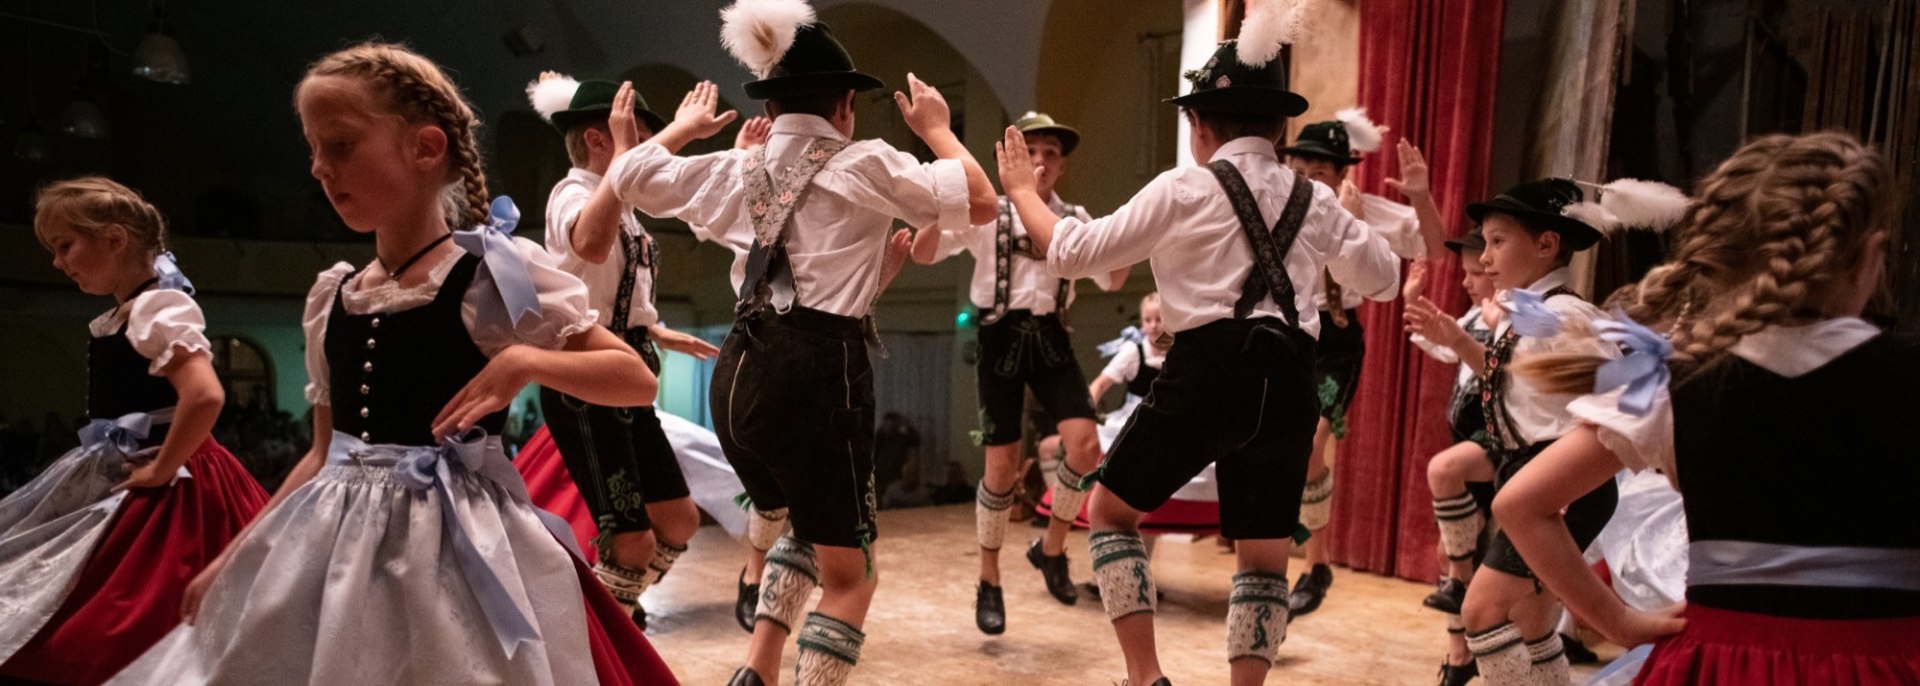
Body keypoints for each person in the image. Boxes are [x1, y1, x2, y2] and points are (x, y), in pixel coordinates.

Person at [104, 42, 676, 685]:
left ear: (426, 149)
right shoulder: (335, 296)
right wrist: (235, 557)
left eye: (341, 145)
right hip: (336, 540)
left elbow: (635, 378)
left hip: (458, 542)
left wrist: (523, 360)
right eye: (314, 150)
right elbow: (322, 453)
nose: (320, 168)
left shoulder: (492, 276)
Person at [591, 1, 996, 682]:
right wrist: (939, 131)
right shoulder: (866, 162)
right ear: (845, 104)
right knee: (852, 573)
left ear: (772, 108)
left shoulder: (735, 168)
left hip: (738, 378)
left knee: (807, 529)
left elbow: (627, 178)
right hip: (819, 376)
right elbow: (980, 201)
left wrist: (684, 130)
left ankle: (759, 668)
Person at [998, 4, 1403, 681]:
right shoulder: (1316, 199)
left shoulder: (1185, 187)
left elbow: (1071, 251)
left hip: (1208, 369)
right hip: (1292, 380)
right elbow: (1387, 282)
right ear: (1279, 127)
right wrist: (1352, 223)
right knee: (1265, 558)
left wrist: (1019, 190)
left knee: (1109, 512)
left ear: (1198, 125)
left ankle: (1145, 676)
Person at [1499, 131, 1918, 685]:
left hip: (1718, 667)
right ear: (1869, 257)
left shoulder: (1673, 384)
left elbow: (1521, 505)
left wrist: (1618, 621)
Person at [0, 178, 267, 686]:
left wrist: (164, 466)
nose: (58, 262)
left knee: (123, 633)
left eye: (65, 245)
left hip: (175, 485)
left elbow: (205, 395)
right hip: (126, 469)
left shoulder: (157, 306)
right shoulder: (124, 313)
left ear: (115, 239)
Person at [519, 70, 722, 630]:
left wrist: (655, 329)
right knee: (630, 542)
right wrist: (678, 133)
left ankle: (611, 611)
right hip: (584, 376)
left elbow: (611, 284)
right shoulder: (574, 192)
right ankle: (605, 635)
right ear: (597, 138)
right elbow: (587, 243)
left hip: (628, 368)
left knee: (679, 522)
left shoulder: (625, 207)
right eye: (635, 134)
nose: (645, 148)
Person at [912, 110, 1128, 631]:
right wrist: (934, 210)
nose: (1041, 161)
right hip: (998, 337)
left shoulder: (1074, 218)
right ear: (1010, 158)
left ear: (1062, 165)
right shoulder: (989, 211)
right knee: (1001, 469)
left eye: (1051, 153)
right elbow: (923, 253)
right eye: (1031, 150)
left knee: (1085, 446)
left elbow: (1115, 282)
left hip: (1052, 336)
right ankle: (989, 579)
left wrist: (1127, 238)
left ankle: (1051, 548)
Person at [1403, 176, 1618, 686]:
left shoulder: (1564, 316)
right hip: (1529, 476)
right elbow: (1510, 380)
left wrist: (1570, 475)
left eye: (1498, 241)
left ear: (1546, 245)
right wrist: (1457, 338)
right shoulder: (1518, 312)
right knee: (1531, 620)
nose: (1487, 255)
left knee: (1481, 612)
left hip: (1560, 485)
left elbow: (1621, 393)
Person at [1277, 109, 1446, 616]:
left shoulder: (1366, 209)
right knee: (1283, 452)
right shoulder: (1278, 207)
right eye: (1301, 171)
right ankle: (1290, 563)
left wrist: (1418, 194)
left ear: (1343, 173)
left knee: (1311, 446)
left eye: (1320, 173)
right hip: (1288, 334)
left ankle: (1315, 564)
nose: (1309, 182)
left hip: (1338, 338)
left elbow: (1434, 247)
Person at [1402, 228, 1500, 685]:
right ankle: (1459, 654)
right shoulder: (1473, 315)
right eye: (1466, 273)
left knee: (1471, 555)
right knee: (1448, 552)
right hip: (1466, 441)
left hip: (1492, 445)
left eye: (1477, 273)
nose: (1467, 281)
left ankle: (1477, 649)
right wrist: (1415, 303)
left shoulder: (1507, 319)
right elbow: (1445, 343)